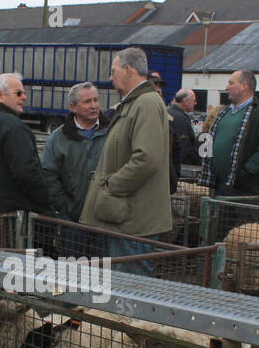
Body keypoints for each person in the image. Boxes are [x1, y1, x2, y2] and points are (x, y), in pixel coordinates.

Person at [80, 47, 171, 272]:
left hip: (134, 220)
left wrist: (110, 186)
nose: (110, 78)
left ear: (129, 70)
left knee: (130, 290)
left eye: (114, 71)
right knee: (124, 287)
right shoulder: (135, 103)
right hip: (127, 216)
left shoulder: (147, 103)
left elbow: (146, 158)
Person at [200, 70, 259, 239]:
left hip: (246, 190)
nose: (227, 87)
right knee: (219, 234)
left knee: (247, 236)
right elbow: (210, 141)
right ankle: (218, 265)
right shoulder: (224, 113)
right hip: (222, 187)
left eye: (231, 82)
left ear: (244, 86)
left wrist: (246, 171)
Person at [41, 81, 110, 255]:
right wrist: (65, 209)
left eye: (96, 100)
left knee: (104, 272)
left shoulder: (111, 133)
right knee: (73, 271)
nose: (93, 106)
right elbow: (49, 175)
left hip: (106, 219)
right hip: (73, 220)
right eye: (87, 102)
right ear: (73, 107)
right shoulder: (58, 139)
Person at [0, 72, 52, 217]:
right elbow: (26, 171)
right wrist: (47, 201)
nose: (24, 97)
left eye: (24, 93)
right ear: (0, 95)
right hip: (21, 213)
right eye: (19, 93)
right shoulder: (12, 126)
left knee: (2, 240)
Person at [167, 87, 199, 193]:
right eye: (194, 100)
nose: (196, 103)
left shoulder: (167, 111)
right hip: (176, 169)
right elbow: (183, 147)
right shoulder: (180, 118)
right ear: (185, 101)